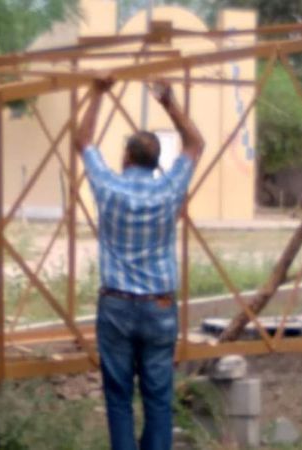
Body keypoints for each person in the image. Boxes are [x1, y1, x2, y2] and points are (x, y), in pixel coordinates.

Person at [75, 77, 204, 450]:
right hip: (158, 305)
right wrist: (169, 102)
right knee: (158, 397)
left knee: (118, 397)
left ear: (126, 158)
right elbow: (195, 144)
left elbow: (83, 141)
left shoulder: (109, 188)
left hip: (116, 303)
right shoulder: (169, 188)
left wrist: (98, 92)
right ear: (156, 161)